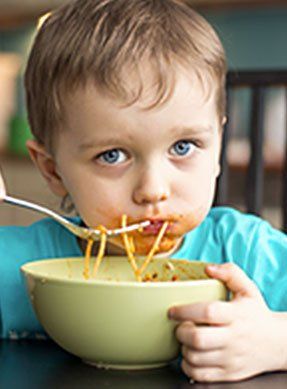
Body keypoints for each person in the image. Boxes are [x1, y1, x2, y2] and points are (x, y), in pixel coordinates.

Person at [0, 0, 286, 383]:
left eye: (183, 147)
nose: (153, 190)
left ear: (217, 146)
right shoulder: (21, 266)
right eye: (112, 155)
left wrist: (276, 341)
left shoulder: (248, 252)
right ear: (52, 169)